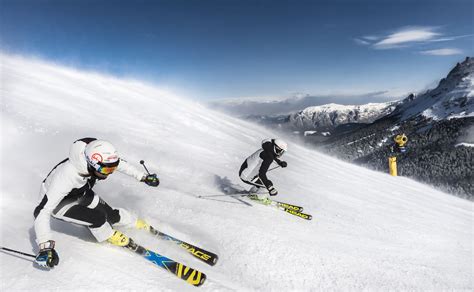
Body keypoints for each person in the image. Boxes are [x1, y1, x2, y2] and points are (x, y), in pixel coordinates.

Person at [33, 138, 160, 268]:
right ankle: (108, 235)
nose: (109, 174)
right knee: (98, 218)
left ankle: (130, 221)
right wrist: (45, 247)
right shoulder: (66, 176)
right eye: (106, 171)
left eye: (111, 170)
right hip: (60, 204)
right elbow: (41, 211)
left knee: (110, 215)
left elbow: (119, 164)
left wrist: (143, 177)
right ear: (92, 165)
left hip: (80, 192)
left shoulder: (97, 160)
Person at [239, 138, 288, 202]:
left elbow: (271, 156)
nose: (280, 154)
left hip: (245, 171)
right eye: (280, 151)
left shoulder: (267, 148)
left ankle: (252, 194)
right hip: (247, 176)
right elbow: (262, 174)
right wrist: (270, 188)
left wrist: (279, 162)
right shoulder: (268, 157)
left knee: (262, 182)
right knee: (267, 184)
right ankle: (258, 198)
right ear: (276, 148)